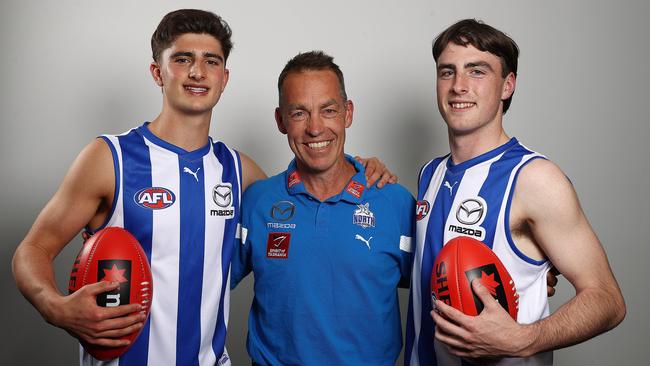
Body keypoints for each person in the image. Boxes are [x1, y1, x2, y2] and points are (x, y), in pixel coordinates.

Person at [11, 10, 393, 366]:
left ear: (224, 78)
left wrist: (361, 170)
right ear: (157, 72)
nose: (198, 72)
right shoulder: (109, 159)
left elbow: (307, 202)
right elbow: (33, 248)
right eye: (182, 59)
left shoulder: (239, 172)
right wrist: (55, 307)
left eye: (211, 61)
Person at [405, 19, 625, 365]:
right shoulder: (430, 174)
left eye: (476, 72)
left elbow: (608, 300)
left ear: (508, 85)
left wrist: (523, 339)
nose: (458, 86)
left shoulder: (535, 179)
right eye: (447, 72)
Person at [230, 51, 415, 366]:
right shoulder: (257, 201)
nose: (315, 128)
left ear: (347, 113)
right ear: (280, 120)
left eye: (328, 110)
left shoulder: (395, 203)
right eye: (299, 113)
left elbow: (437, 296)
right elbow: (202, 283)